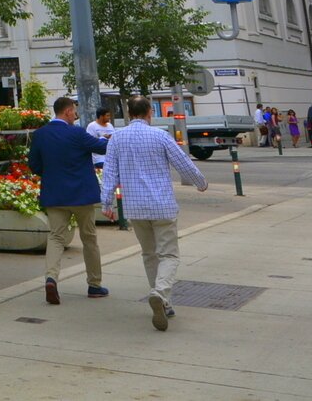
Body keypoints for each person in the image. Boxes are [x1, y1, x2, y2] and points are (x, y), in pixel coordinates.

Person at [101, 96, 209, 331]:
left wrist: (106, 203)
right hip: (162, 205)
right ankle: (160, 293)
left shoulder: (117, 137)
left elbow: (110, 172)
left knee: (149, 254)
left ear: (129, 113)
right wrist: (200, 182)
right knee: (169, 255)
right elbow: (182, 162)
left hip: (135, 207)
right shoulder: (160, 135)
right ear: (150, 112)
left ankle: (163, 301)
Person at [28, 95, 111, 304]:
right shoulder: (77, 133)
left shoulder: (40, 134)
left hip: (55, 195)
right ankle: (94, 285)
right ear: (67, 112)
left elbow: (34, 165)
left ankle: (51, 279)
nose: (75, 115)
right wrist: (109, 138)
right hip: (82, 195)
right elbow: (102, 148)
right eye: (74, 111)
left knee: (56, 237)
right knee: (89, 238)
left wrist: (51, 174)